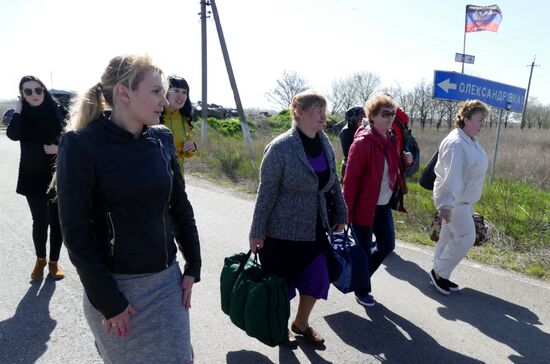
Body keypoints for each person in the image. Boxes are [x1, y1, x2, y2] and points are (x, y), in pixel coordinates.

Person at [56, 55, 201, 364]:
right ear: (124, 93)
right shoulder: (81, 145)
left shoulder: (161, 138)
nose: (164, 101)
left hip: (166, 283)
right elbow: (77, 235)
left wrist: (193, 265)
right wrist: (109, 302)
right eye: (156, 92)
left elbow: (179, 206)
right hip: (118, 293)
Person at [249, 90, 347, 346]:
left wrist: (341, 210)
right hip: (282, 231)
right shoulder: (280, 147)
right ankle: (281, 327)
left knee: (319, 275)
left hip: (315, 226)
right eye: (318, 111)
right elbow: (266, 193)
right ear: (299, 113)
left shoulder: (324, 141)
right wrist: (257, 231)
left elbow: (333, 180)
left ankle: (300, 324)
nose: (323, 117)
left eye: (325, 111)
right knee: (282, 285)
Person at [343, 93, 412, 307]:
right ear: (372, 116)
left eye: (392, 113)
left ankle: (358, 277)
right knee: (363, 251)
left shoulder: (391, 138)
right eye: (385, 113)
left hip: (383, 205)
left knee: (387, 244)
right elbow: (350, 181)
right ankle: (362, 289)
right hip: (364, 208)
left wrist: (405, 161)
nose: (391, 117)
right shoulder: (362, 143)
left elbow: (392, 168)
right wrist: (345, 213)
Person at [7, 75, 66, 281]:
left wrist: (59, 148)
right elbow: (13, 135)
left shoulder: (58, 111)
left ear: (44, 90)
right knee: (40, 221)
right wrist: (17, 109)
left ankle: (54, 263)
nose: (34, 94)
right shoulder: (21, 116)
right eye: (28, 91)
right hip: (32, 175)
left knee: (57, 222)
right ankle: (40, 260)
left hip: (57, 174)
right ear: (22, 95)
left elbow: (77, 137)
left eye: (38, 89)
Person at [430, 100, 489, 295]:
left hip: (461, 200)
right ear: (466, 118)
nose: (482, 124)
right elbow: (452, 175)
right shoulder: (457, 143)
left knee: (447, 237)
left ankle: (438, 273)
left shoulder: (469, 140)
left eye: (483, 120)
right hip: (454, 201)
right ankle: (439, 272)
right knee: (466, 236)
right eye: (480, 120)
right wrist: (446, 203)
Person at [160, 75, 197, 174]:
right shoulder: (153, 116)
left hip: (178, 179)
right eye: (176, 91)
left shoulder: (185, 120)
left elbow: (187, 153)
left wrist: (192, 147)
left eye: (184, 92)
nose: (180, 95)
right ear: (165, 92)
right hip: (155, 177)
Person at [339, 106, 365, 178]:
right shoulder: (346, 131)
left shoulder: (361, 129)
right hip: (349, 167)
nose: (363, 119)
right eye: (361, 117)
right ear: (353, 118)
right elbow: (348, 154)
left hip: (359, 166)